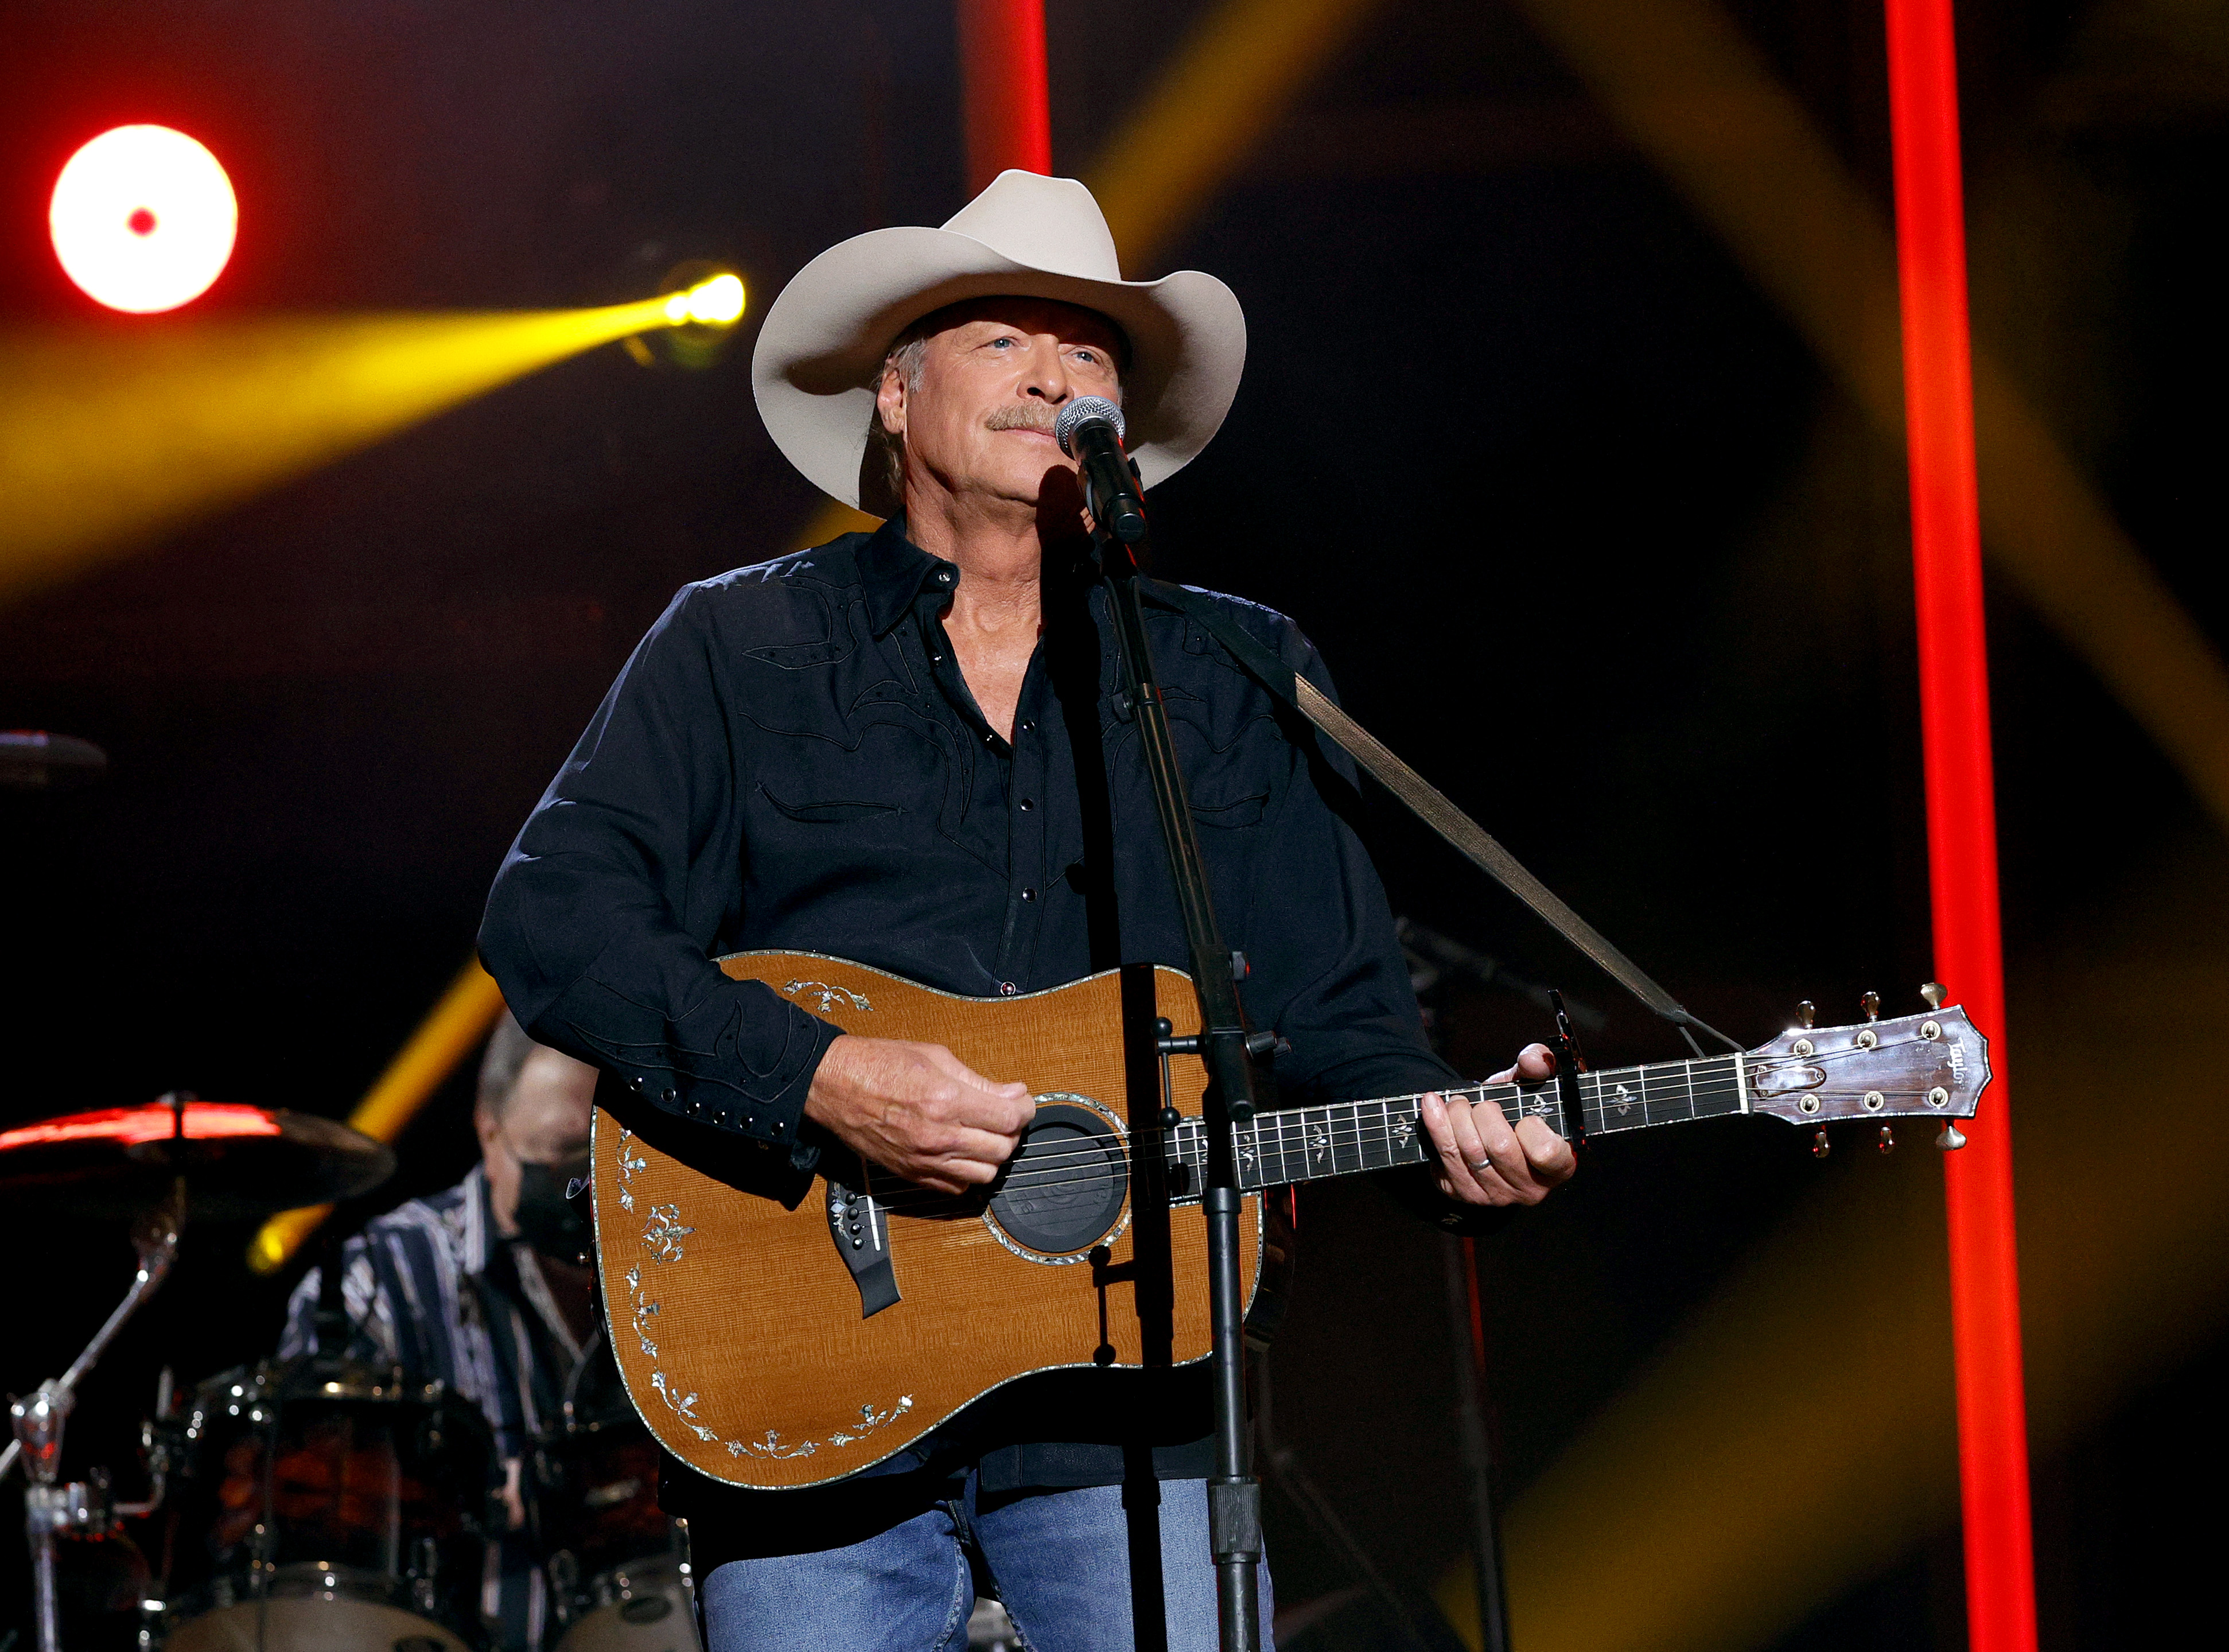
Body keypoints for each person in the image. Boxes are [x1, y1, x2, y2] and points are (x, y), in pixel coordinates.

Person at [478, 169, 1576, 1652]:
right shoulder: (738, 645)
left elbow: (1339, 1018)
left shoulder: (1231, 674)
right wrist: (816, 1078)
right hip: (807, 1395)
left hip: (1134, 1393)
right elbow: (552, 920)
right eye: (1001, 340)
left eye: (1089, 352)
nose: (1054, 372)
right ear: (891, 393)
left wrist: (1449, 1136)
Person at [281, 1012, 604, 1651]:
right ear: (489, 1130)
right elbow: (317, 1503)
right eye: (563, 1157)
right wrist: (483, 1497)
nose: (585, 1187)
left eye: (606, 1158)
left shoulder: (675, 1266)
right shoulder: (377, 1279)